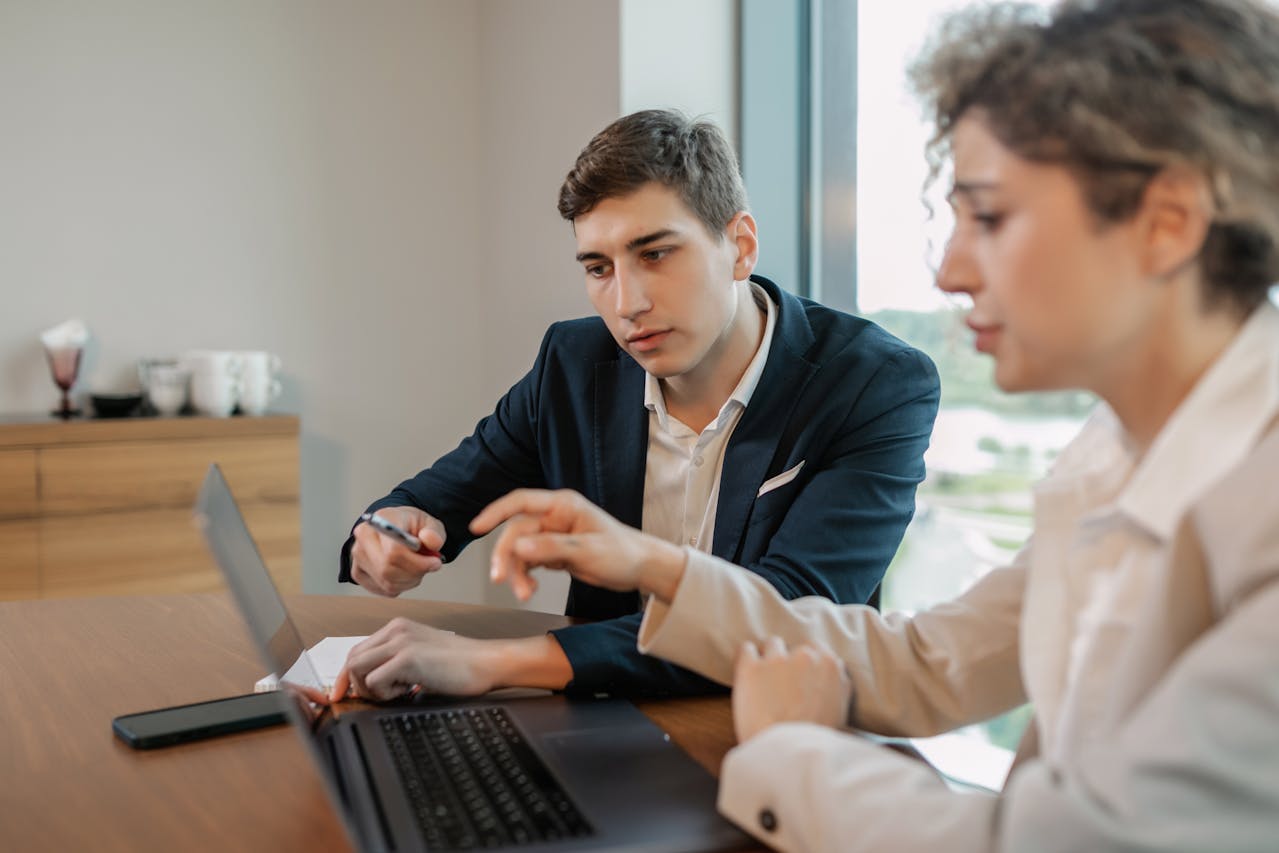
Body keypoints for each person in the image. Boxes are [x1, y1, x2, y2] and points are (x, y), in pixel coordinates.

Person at [464, 1, 1279, 849]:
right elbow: (926, 662)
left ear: (1168, 222)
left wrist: (791, 749)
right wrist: (656, 563)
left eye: (990, 217)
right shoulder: (1116, 453)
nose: (949, 268)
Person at [335, 109, 940, 698]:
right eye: (599, 267)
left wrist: (497, 662)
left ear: (741, 246)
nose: (627, 304)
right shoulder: (574, 364)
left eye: (655, 254)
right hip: (605, 727)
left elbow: (792, 612)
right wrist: (388, 533)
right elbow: (434, 498)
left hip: (788, 736)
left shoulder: (877, 385)